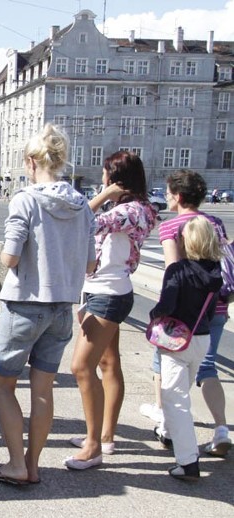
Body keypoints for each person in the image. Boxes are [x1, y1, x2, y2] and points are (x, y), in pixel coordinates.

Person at [0, 124, 96, 485]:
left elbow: (11, 258)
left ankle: (16, 464)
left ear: (31, 163)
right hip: (63, 308)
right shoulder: (82, 205)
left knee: (3, 383)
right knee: (43, 390)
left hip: (25, 306)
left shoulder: (26, 199)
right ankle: (33, 465)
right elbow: (91, 264)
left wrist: (2, 251)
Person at [64, 151, 158, 470]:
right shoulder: (134, 208)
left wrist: (103, 196)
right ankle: (104, 436)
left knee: (81, 366)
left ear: (116, 177)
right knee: (107, 362)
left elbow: (81, 222)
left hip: (108, 293)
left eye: (106, 173)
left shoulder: (130, 210)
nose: (101, 177)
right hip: (101, 289)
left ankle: (94, 446)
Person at [140, 170, 231, 457]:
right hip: (215, 304)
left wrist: (160, 314)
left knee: (162, 363)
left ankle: (166, 424)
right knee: (207, 366)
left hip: (185, 311)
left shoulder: (171, 226)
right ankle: (221, 429)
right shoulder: (214, 221)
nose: (165, 197)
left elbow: (172, 269)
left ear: (178, 196)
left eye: (167, 192)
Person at [149, 217, 222, 480]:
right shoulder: (215, 273)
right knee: (182, 392)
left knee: (175, 398)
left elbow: (166, 306)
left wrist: (154, 314)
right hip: (201, 338)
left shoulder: (178, 270)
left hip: (176, 340)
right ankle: (168, 433)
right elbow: (212, 311)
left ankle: (188, 462)